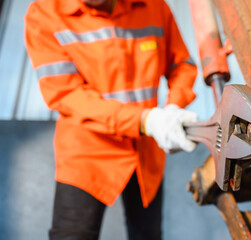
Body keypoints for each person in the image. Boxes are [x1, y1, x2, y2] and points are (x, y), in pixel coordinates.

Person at [24, 0, 198, 239]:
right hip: (88, 155)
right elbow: (67, 94)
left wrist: (173, 108)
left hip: (145, 153)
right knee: (72, 235)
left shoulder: (154, 6)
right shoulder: (45, 13)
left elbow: (182, 66)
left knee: (147, 235)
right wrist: (146, 120)